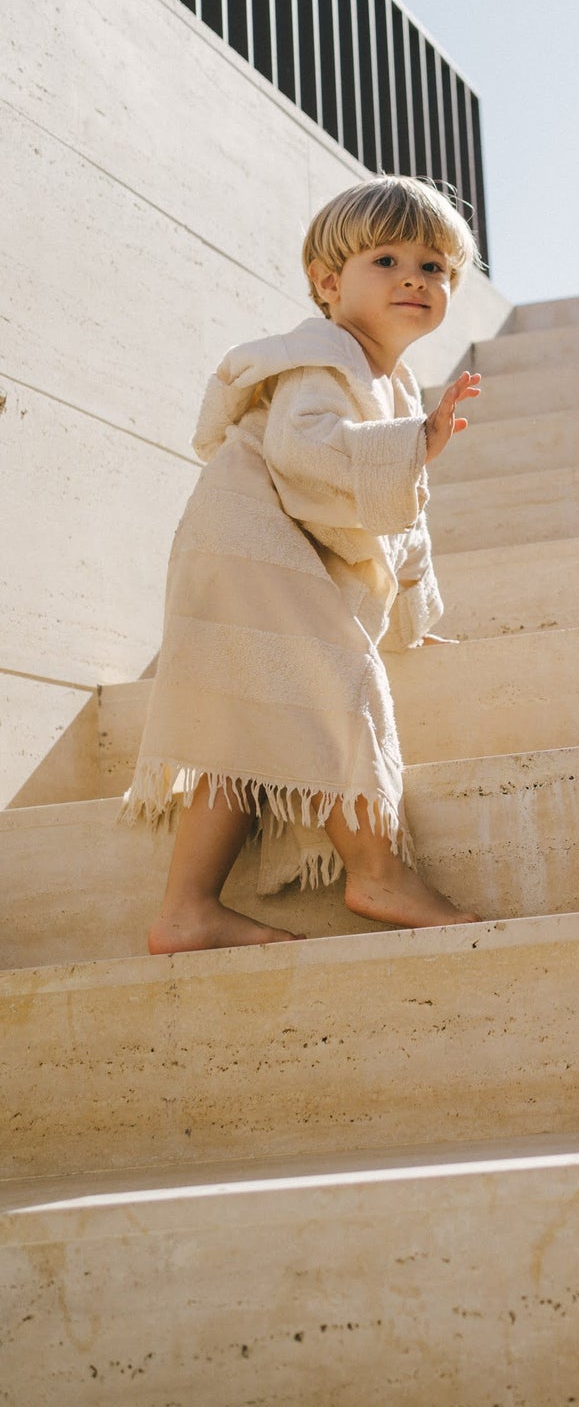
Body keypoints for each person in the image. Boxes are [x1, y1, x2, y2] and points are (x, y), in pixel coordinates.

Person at [124, 174, 484, 951]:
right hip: (250, 544)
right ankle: (375, 871)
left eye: (435, 267)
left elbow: (402, 516)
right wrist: (415, 444)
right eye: (386, 261)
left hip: (251, 552)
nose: (415, 279)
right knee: (335, 690)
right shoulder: (324, 354)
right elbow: (302, 448)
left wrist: (418, 617)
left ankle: (185, 910)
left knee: (245, 723)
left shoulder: (392, 383)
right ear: (329, 283)